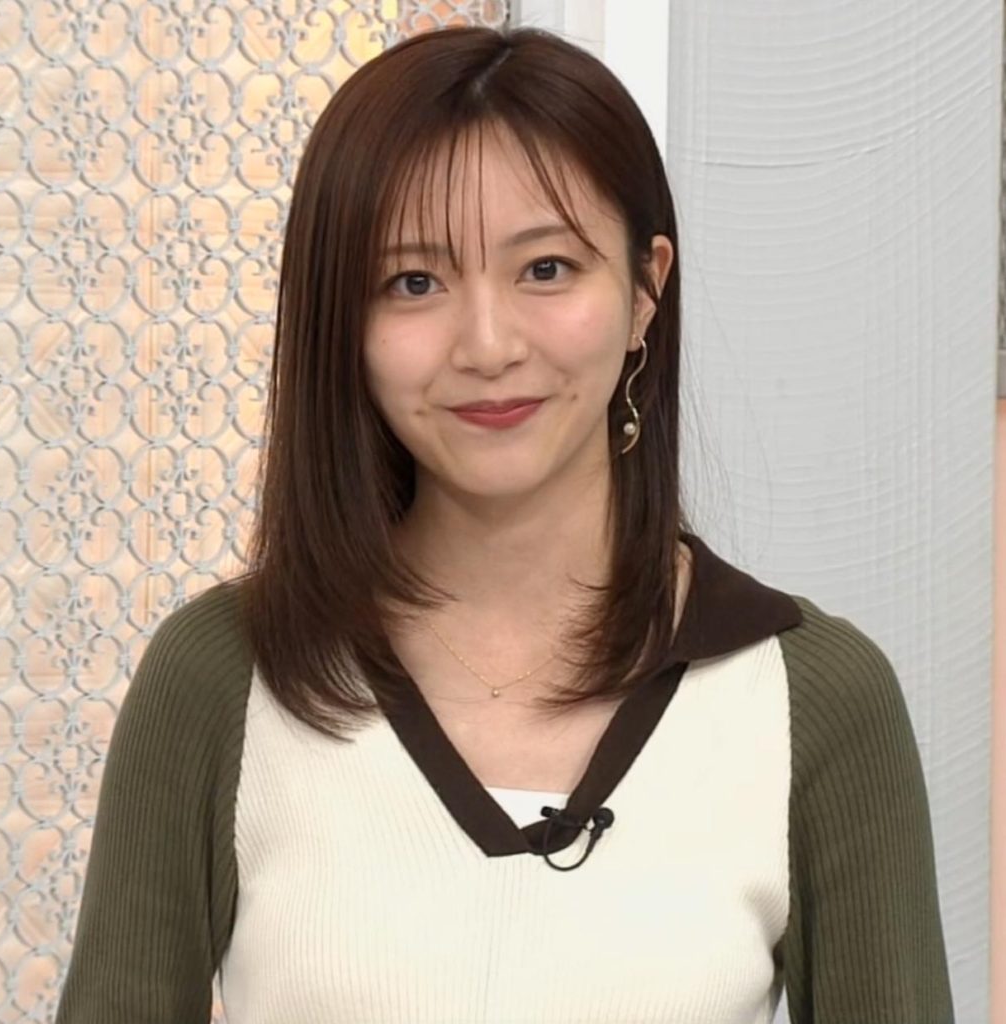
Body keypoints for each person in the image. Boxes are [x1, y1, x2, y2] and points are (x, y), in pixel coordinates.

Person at [55, 23, 954, 1024]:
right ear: (341, 321)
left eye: (546, 269)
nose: (486, 345)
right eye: (414, 282)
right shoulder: (222, 675)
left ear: (645, 288)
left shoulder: (814, 698)